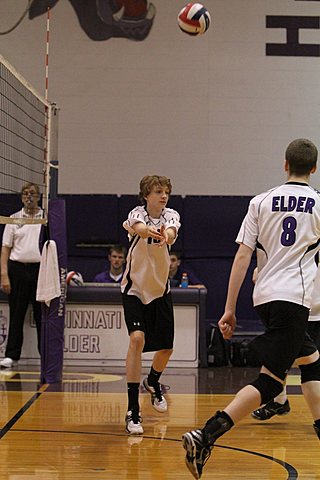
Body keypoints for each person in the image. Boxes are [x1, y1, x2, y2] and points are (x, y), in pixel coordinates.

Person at [182, 138, 320, 479]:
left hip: (265, 297)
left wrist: (228, 309)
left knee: (312, 361)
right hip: (295, 299)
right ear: (314, 168)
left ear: (285, 164)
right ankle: (206, 434)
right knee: (271, 384)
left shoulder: (261, 201)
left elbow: (243, 257)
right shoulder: (318, 203)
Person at [121, 175, 180, 435]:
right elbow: (138, 227)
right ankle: (133, 410)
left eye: (166, 191)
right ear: (146, 195)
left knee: (166, 348)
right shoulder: (137, 213)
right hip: (134, 289)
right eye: (158, 191)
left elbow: (171, 231)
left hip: (160, 290)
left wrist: (166, 235)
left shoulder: (172, 215)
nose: (163, 196)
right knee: (137, 339)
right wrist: (146, 231)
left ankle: (153, 382)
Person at [252, 264, 320, 420]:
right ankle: (279, 400)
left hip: (312, 309)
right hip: (297, 306)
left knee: (312, 365)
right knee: (278, 356)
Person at [0, 182, 43, 369]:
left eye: (33, 193)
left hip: (40, 271)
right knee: (16, 315)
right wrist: (4, 275)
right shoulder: (13, 219)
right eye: (25, 193)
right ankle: (11, 356)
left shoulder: (46, 218)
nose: (29, 196)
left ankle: (46, 356)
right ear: (21, 197)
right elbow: (5, 249)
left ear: (39, 196)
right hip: (17, 270)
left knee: (43, 317)